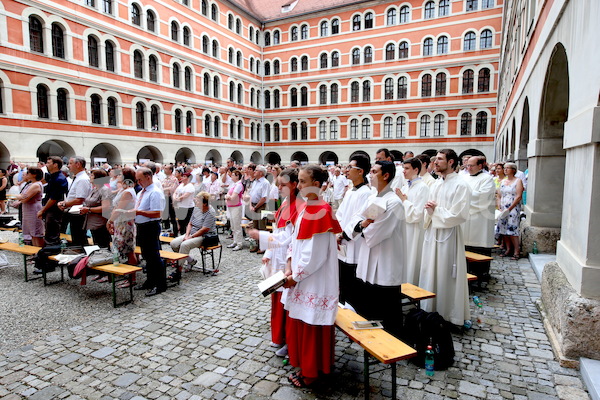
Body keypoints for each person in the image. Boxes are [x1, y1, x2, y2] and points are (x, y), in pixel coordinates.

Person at [282, 165, 341, 388]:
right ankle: (306, 368)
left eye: (303, 181)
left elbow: (314, 256)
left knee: (312, 326)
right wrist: (289, 264)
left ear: (317, 184)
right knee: (304, 323)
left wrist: (295, 276)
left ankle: (312, 373)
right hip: (302, 277)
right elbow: (296, 241)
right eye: (298, 180)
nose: (298, 185)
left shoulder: (321, 210)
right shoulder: (307, 207)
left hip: (314, 280)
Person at [419, 149, 471, 326]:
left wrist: (436, 211)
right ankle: (430, 309)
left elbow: (460, 214)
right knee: (430, 270)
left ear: (451, 162)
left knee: (446, 273)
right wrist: (428, 209)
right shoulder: (436, 183)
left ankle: (447, 313)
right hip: (433, 231)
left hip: (448, 236)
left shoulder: (461, 185)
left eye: (440, 159)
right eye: (436, 159)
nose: (435, 163)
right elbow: (430, 208)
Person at [354, 160, 405, 338]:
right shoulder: (372, 197)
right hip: (368, 255)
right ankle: (371, 336)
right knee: (370, 301)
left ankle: (392, 339)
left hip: (386, 258)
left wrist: (362, 226)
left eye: (374, 172)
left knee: (387, 304)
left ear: (386, 176)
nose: (370, 174)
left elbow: (376, 232)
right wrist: (361, 225)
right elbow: (360, 220)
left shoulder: (394, 202)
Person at [335, 154, 371, 306]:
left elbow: (360, 219)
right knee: (342, 280)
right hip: (342, 241)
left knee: (352, 281)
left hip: (353, 243)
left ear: (361, 171)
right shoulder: (350, 191)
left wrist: (344, 234)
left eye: (350, 167)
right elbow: (340, 214)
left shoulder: (366, 193)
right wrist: (336, 232)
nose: (346, 170)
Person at [396, 157, 430, 285]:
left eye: (407, 168)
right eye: (403, 168)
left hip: (414, 230)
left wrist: (404, 201)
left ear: (416, 169)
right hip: (403, 229)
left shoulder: (423, 188)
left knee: (411, 261)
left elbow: (417, 214)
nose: (403, 171)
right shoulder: (405, 187)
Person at [133, 167, 166, 297]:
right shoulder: (142, 192)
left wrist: (138, 212)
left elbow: (157, 213)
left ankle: (160, 284)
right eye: (137, 180)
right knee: (146, 255)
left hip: (150, 226)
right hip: (141, 225)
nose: (138, 182)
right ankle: (150, 280)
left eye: (140, 179)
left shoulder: (155, 192)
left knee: (154, 256)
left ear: (148, 177)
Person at [170, 191, 218, 269]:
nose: (195, 201)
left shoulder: (211, 212)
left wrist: (190, 237)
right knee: (174, 243)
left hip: (204, 236)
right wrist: (186, 235)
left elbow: (204, 229)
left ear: (204, 204)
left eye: (198, 201)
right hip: (192, 233)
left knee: (184, 245)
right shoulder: (196, 208)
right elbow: (190, 223)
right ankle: (191, 260)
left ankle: (178, 269)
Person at [462, 156, 496, 261]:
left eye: (471, 165)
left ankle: (482, 273)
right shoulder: (464, 178)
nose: (468, 168)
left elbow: (484, 197)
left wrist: (464, 196)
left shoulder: (487, 179)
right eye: (467, 165)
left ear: (480, 166)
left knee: (478, 246)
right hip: (465, 219)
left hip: (480, 220)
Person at [58, 156, 91, 247]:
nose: (68, 166)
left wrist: (65, 204)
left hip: (79, 213)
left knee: (79, 237)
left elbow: (80, 199)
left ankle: (81, 256)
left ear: (78, 164)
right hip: (74, 211)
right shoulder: (78, 178)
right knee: (76, 236)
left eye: (70, 163)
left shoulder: (83, 179)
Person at [107, 168, 138, 269]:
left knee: (129, 250)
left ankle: (131, 277)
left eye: (120, 175)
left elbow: (119, 209)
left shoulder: (128, 192)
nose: (118, 176)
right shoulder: (122, 189)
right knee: (120, 247)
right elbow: (115, 207)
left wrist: (110, 221)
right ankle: (124, 272)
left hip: (125, 223)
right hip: (119, 222)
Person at [37, 156, 69, 246]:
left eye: (48, 163)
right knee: (49, 232)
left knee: (52, 234)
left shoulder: (59, 178)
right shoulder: (53, 177)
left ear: (55, 165)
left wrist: (43, 210)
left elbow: (53, 198)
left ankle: (51, 253)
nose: (46, 165)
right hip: (50, 208)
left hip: (54, 209)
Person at [496, 162, 524, 260]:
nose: (505, 170)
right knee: (503, 229)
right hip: (503, 208)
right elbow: (499, 195)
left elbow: (518, 196)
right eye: (505, 168)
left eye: (508, 168)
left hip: (512, 208)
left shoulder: (518, 181)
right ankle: (508, 249)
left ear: (513, 170)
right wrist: (499, 205)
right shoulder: (503, 181)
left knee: (512, 229)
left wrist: (510, 208)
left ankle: (516, 250)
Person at [80, 169, 112, 248]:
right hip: (92, 222)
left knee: (102, 245)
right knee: (96, 244)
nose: (90, 177)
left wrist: (89, 209)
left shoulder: (105, 190)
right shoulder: (94, 189)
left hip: (100, 223)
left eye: (92, 175)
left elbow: (105, 207)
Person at [15, 166, 45, 247]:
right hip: (28, 209)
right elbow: (22, 196)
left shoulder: (36, 185)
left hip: (33, 209)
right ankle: (34, 253)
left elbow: (24, 198)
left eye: (28, 173)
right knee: (31, 233)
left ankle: (38, 253)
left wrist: (19, 197)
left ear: (34, 174)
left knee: (36, 233)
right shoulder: (30, 184)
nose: (26, 174)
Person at [224, 170, 245, 251]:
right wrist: (227, 196)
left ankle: (239, 243)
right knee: (233, 225)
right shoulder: (233, 185)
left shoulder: (239, 185)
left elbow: (232, 196)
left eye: (233, 175)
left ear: (237, 176)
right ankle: (235, 241)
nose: (231, 176)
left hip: (236, 206)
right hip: (231, 206)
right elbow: (227, 195)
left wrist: (228, 197)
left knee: (237, 225)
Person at [161, 164, 180, 236]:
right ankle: (167, 233)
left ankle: (175, 234)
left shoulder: (174, 179)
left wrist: (164, 189)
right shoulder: (164, 179)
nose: (164, 170)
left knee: (173, 217)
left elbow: (172, 189)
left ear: (170, 170)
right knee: (165, 217)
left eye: (166, 169)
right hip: (165, 198)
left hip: (171, 199)